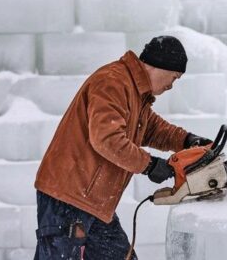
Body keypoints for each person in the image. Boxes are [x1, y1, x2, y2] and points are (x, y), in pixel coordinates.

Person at [33, 36, 213, 259]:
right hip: (69, 197)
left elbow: (152, 129)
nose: (171, 85)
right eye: (173, 77)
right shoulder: (113, 82)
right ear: (161, 65)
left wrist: (187, 140)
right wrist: (150, 165)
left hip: (95, 204)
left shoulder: (135, 92)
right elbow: (106, 139)